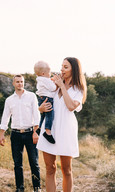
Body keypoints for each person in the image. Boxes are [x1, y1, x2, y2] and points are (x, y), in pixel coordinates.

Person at [36, 57, 87, 192]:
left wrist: (62, 86)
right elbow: (41, 97)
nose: (61, 70)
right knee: (50, 168)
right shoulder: (53, 84)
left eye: (66, 67)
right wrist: (40, 108)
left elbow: (70, 106)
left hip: (66, 130)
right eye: (61, 66)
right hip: (50, 130)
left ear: (74, 70)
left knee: (67, 170)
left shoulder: (78, 89)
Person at [0, 74, 41, 192]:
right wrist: (2, 134)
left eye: (21, 82)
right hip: (16, 134)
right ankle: (19, 188)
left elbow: (36, 115)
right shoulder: (9, 100)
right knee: (17, 163)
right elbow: (5, 117)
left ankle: (37, 188)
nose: (20, 84)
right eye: (17, 82)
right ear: (13, 84)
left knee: (34, 162)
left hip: (30, 133)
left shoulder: (31, 96)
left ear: (24, 83)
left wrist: (35, 132)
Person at [34, 61, 57, 144]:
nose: (50, 74)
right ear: (43, 73)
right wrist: (56, 82)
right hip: (47, 99)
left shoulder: (40, 79)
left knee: (43, 115)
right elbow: (53, 88)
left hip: (42, 99)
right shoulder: (45, 80)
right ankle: (48, 132)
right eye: (49, 72)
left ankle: (39, 129)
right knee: (50, 115)